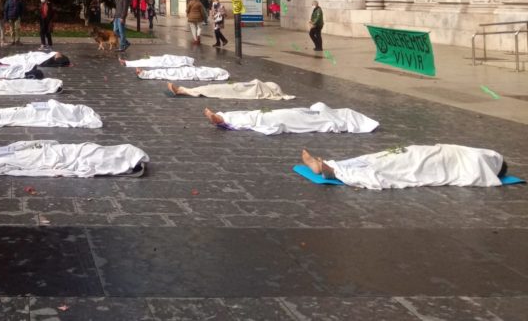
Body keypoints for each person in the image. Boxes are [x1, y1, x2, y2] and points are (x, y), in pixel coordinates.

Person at [301, 144, 509, 190]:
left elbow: (477, 168)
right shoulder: (477, 156)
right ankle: (329, 165)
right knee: (381, 158)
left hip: (435, 158)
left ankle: (333, 170)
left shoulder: (478, 159)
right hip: (428, 153)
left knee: (388, 165)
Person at [0, 137, 148, 178]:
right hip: (72, 150)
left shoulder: (111, 160)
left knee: (20, 159)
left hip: (61, 158)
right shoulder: (109, 151)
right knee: (19, 151)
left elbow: (86, 165)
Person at [203, 102, 379, 135]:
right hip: (299, 112)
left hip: (300, 118)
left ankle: (223, 119)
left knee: (266, 118)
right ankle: (223, 116)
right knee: (261, 114)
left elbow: (330, 121)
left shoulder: (334, 118)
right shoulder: (321, 111)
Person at [0, 100, 102, 128]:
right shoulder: (81, 110)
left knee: (2, 116)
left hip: (35, 115)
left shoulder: (78, 114)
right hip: (33, 110)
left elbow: (59, 114)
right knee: (2, 113)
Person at [166, 79, 294, 100]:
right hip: (237, 86)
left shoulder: (261, 89)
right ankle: (183, 90)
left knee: (214, 90)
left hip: (236, 90)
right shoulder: (258, 84)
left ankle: (182, 90)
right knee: (212, 88)